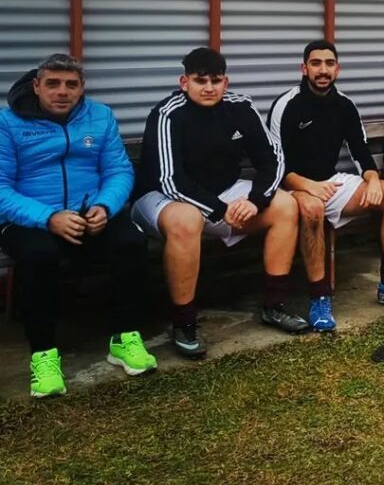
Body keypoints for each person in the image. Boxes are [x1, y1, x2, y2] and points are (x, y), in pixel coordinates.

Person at [132, 47, 307, 359]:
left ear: (226, 82)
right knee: (187, 220)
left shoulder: (241, 106)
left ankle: (274, 306)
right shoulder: (168, 113)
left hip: (222, 191)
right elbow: (170, 179)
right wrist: (221, 210)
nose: (209, 87)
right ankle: (184, 322)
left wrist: (255, 201)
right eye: (200, 81)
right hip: (160, 197)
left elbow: (273, 160)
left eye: (216, 80)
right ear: (184, 82)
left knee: (285, 206)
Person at [0, 54, 157, 398]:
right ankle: (43, 354)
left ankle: (124, 338)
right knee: (39, 256)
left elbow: (118, 170)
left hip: (89, 214)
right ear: (36, 86)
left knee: (130, 242)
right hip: (30, 219)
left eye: (71, 84)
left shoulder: (100, 116)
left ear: (82, 88)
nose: (62, 91)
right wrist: (47, 217)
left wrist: (105, 206)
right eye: (53, 83)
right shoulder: (7, 122)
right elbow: (1, 187)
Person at [268, 40, 384, 326]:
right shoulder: (286, 104)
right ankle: (319, 298)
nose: (323, 70)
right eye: (316, 63)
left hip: (330, 183)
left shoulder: (344, 105)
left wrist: (373, 180)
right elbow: (275, 165)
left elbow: (360, 152)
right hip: (292, 187)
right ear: (304, 68)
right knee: (313, 208)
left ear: (337, 69)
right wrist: (307, 186)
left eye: (329, 64)